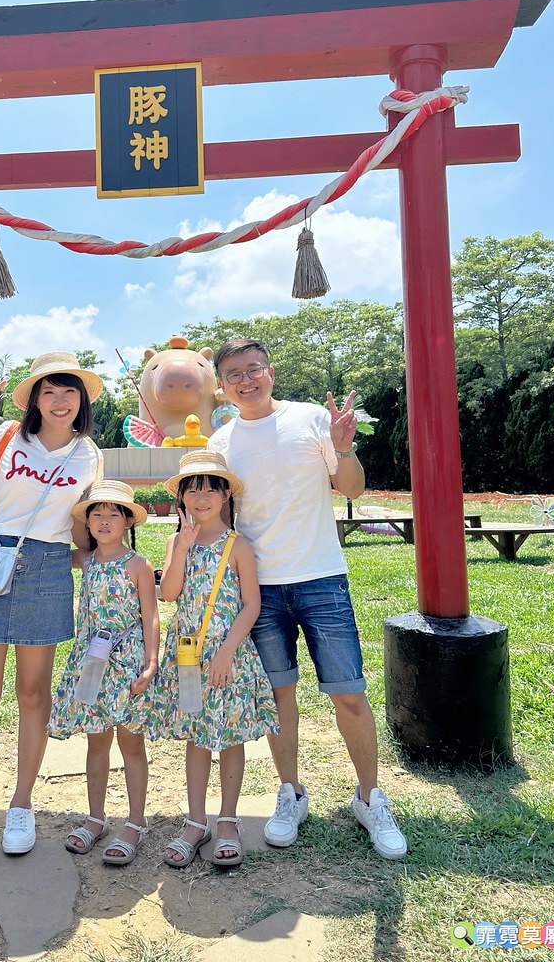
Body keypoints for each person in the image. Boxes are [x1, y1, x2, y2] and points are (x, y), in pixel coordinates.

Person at [207, 339, 407, 860]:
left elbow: (353, 489)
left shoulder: (312, 418)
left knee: (349, 693)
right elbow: (220, 516)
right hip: (259, 589)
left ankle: (370, 797)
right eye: (234, 374)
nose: (246, 380)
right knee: (280, 696)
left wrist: (344, 448)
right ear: (221, 387)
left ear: (270, 371)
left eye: (254, 369)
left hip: (321, 578)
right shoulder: (221, 440)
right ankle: (291, 792)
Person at [0, 351, 104, 884]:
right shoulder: (8, 436)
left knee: (34, 693)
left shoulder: (88, 455)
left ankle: (21, 804)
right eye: (49, 390)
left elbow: (81, 523)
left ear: (81, 400)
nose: (60, 400)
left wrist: (101, 557)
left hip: (49, 568)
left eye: (69, 390)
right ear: (34, 399)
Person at [155, 450, 279, 868]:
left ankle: (227, 819)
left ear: (226, 495)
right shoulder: (177, 542)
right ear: (181, 499)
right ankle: (196, 820)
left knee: (229, 736)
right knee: (196, 734)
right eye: (192, 490)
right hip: (189, 656)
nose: (201, 497)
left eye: (211, 488)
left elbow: (251, 604)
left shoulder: (238, 546)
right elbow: (169, 593)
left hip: (230, 656)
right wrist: (182, 548)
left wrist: (226, 651)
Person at [48, 480, 159, 866]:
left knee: (131, 743)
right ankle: (96, 817)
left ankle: (135, 822)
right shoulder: (86, 560)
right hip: (92, 664)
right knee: (96, 742)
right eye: (97, 514)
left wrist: (151, 662)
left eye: (114, 514)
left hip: (127, 665)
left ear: (129, 521)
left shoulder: (138, 566)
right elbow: (58, 535)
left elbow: (151, 616)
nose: (105, 520)